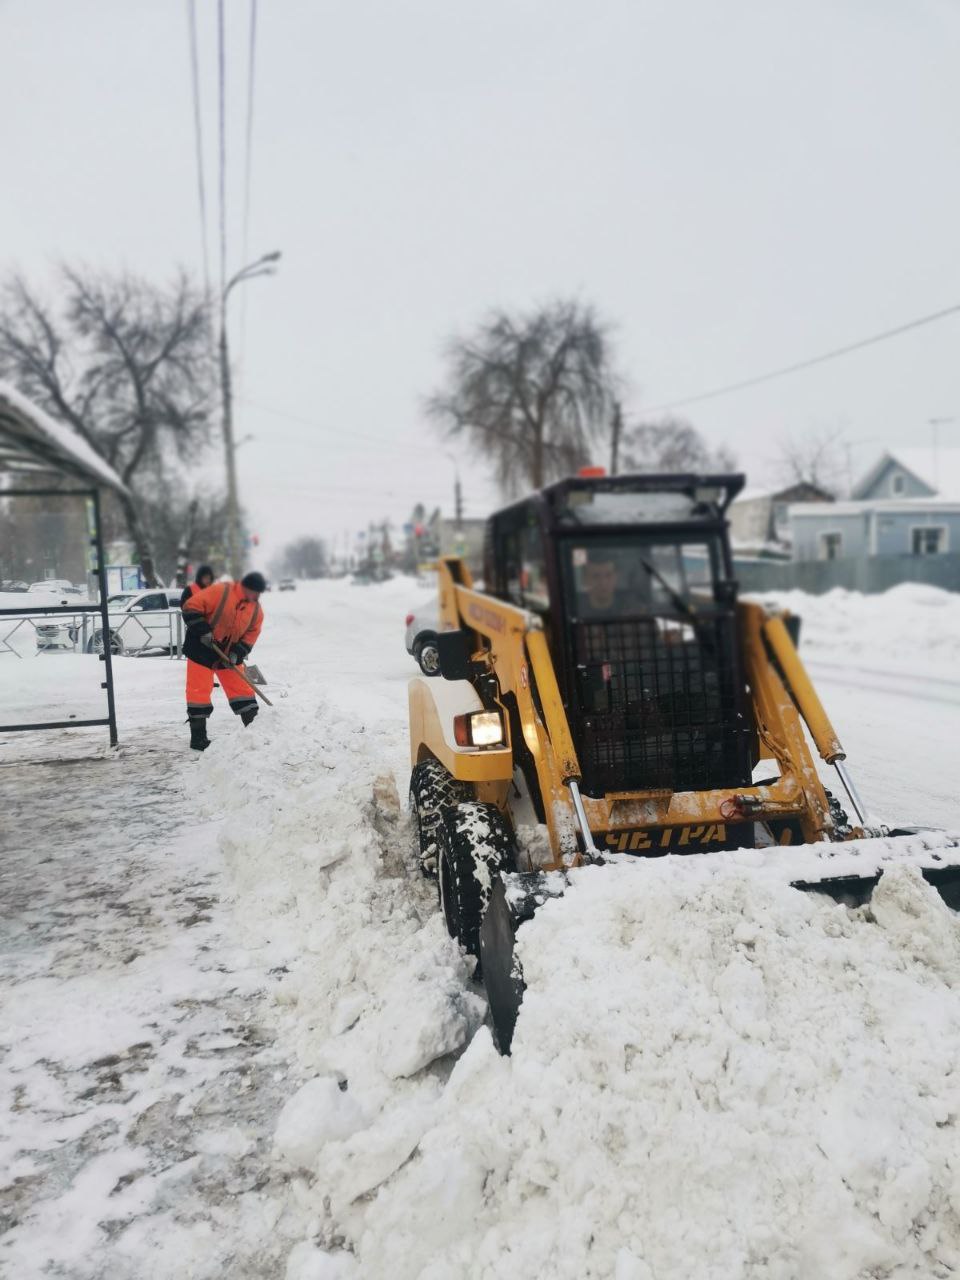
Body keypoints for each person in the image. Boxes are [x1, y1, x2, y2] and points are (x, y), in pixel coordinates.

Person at [181, 571, 266, 751]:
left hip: (227, 655)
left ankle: (256, 732)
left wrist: (237, 653)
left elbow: (251, 635)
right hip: (201, 650)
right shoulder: (222, 591)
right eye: (253, 592)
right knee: (198, 693)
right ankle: (198, 739)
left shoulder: (256, 611)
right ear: (245, 587)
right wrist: (203, 630)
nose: (255, 597)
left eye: (258, 594)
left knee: (243, 690)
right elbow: (191, 606)